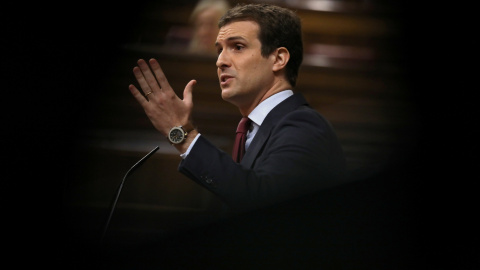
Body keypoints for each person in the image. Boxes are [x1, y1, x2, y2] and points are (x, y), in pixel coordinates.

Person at [128, 3, 346, 211]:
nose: (220, 61)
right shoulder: (255, 130)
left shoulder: (304, 126)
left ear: (278, 58)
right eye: (219, 50)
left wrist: (183, 135)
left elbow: (265, 201)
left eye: (237, 47)